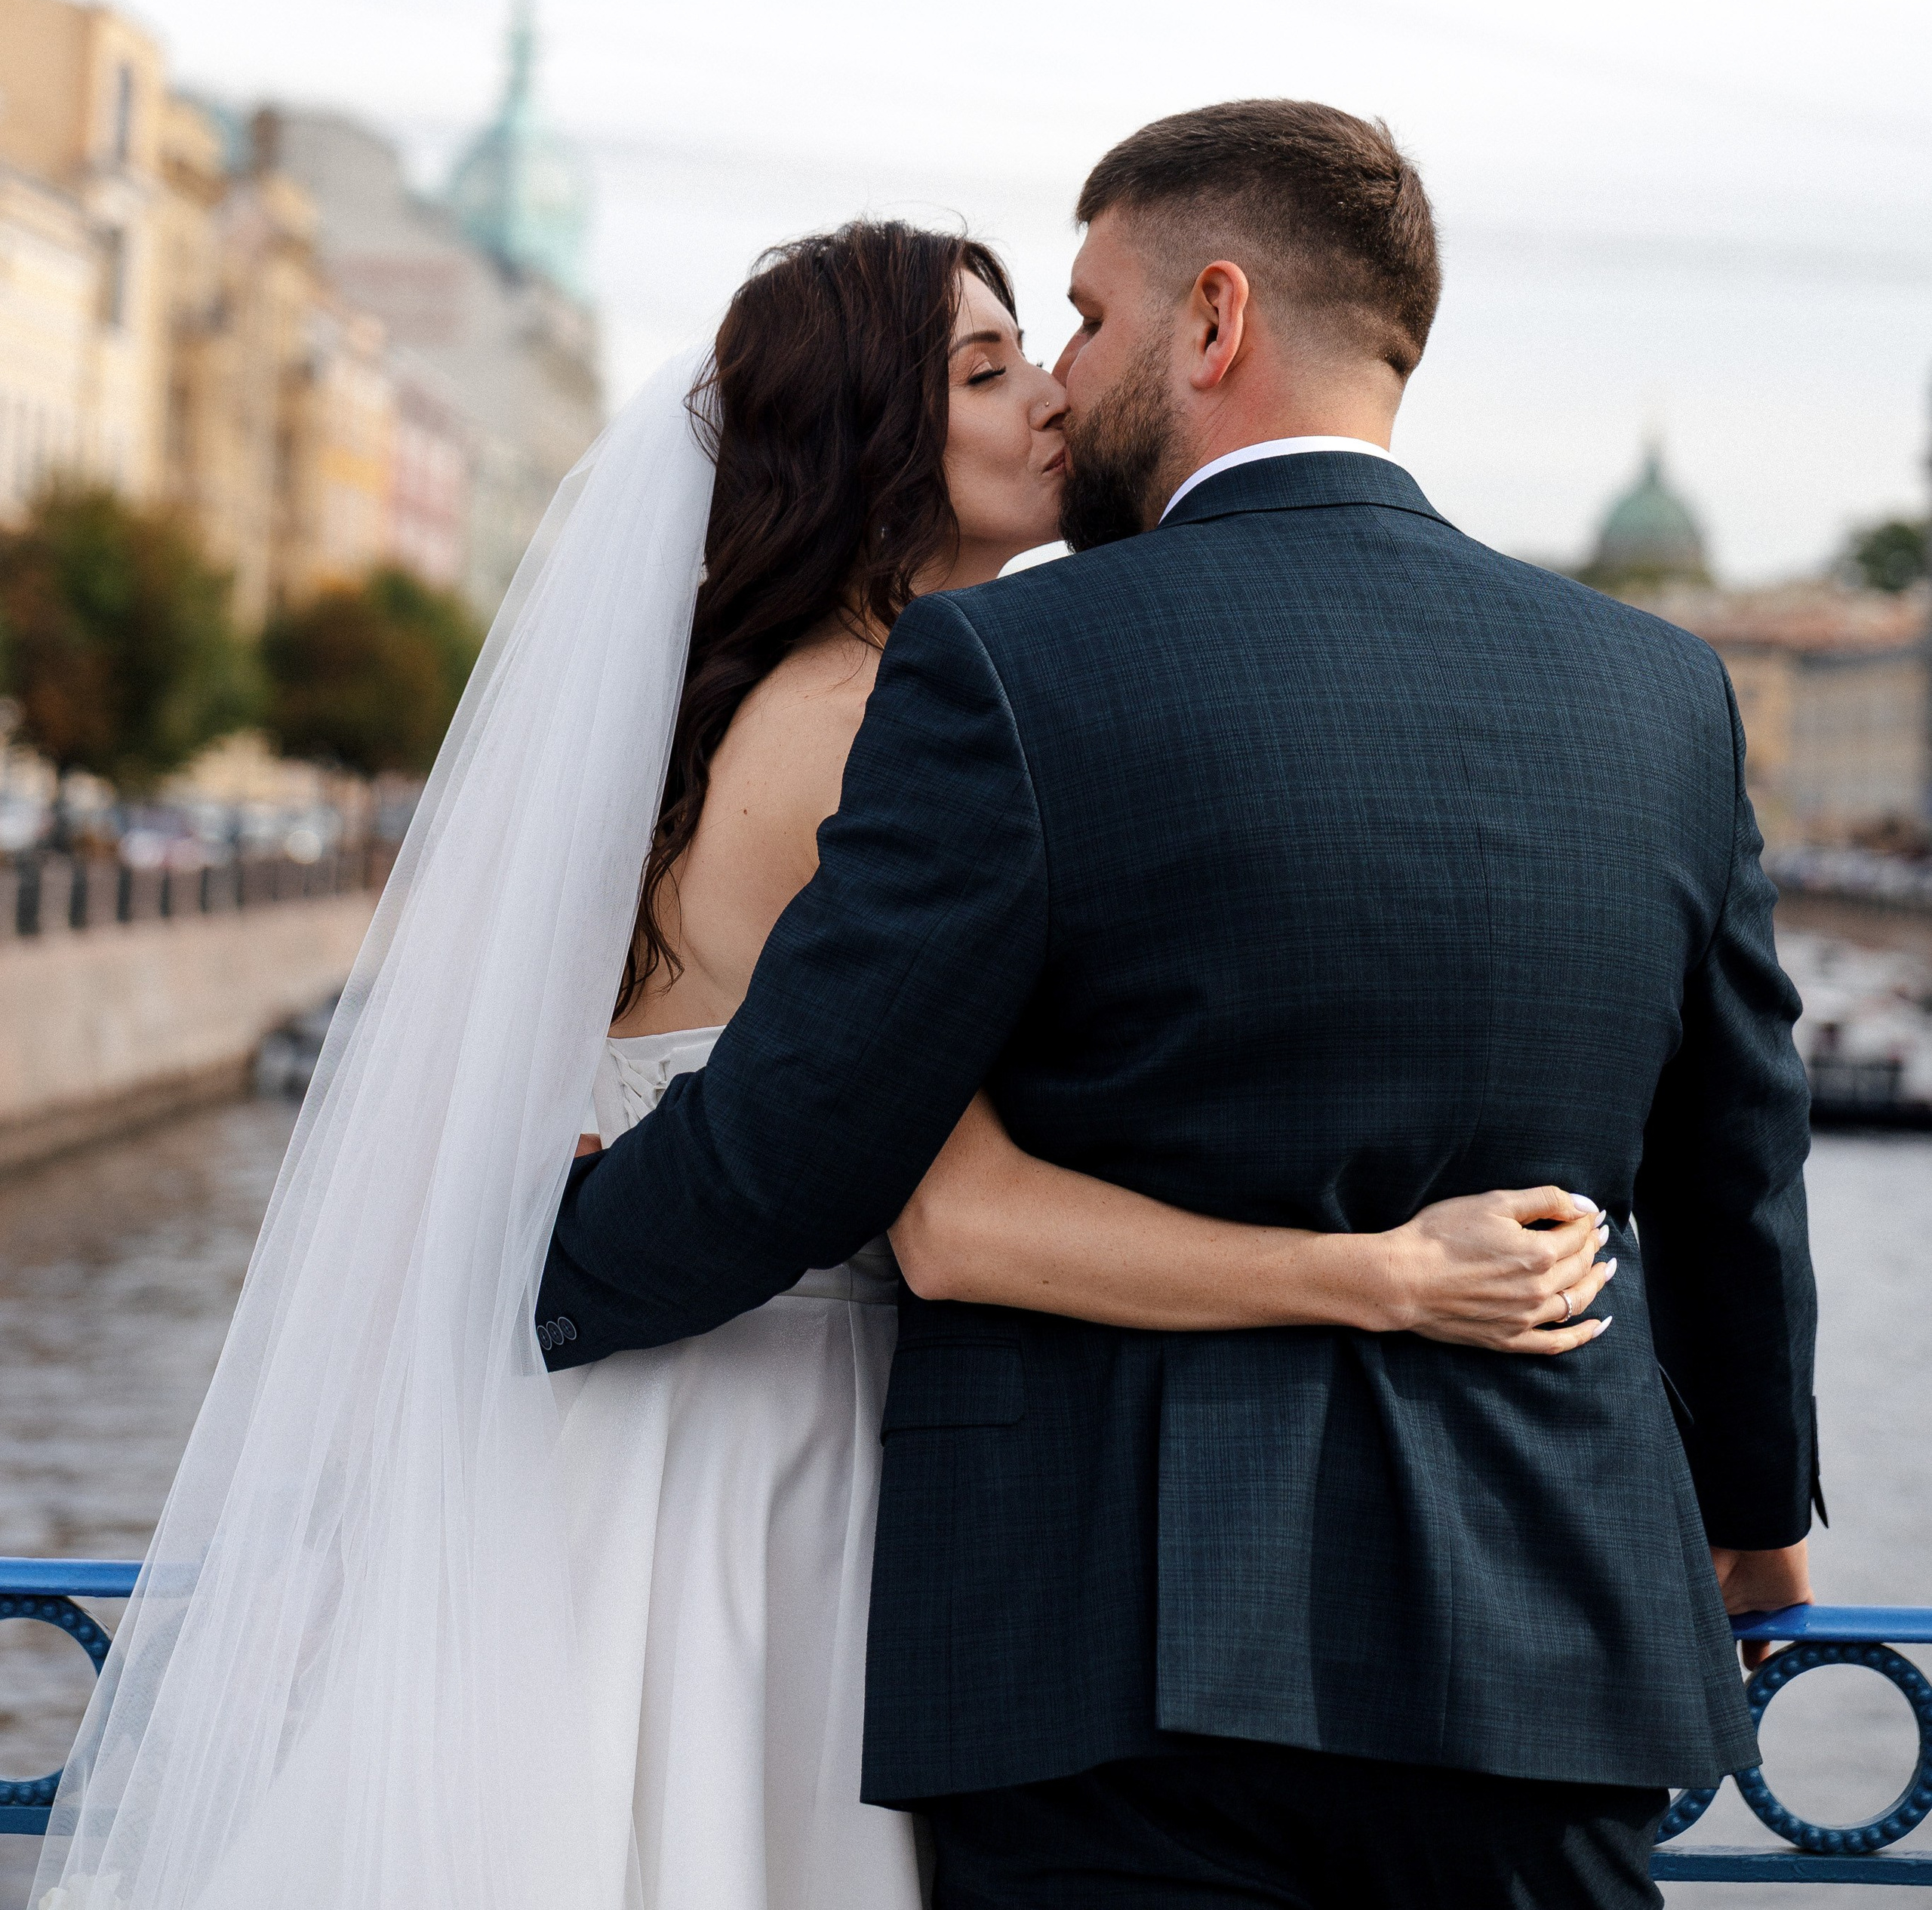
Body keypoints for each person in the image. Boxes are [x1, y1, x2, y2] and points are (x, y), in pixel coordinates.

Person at [32, 214, 1607, 1910]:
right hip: (765, 1453)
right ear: (871, 441)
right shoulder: (864, 724)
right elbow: (960, 1220)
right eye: (986, 372)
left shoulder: (767, 700)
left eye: (1038, 348)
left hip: (635, 1435)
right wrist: (1383, 1274)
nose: (1052, 396)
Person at [539, 104, 1820, 1910]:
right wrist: (1752, 1519)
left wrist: (554, 1264)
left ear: (1211, 319)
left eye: (1080, 316)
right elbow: (1731, 1163)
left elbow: (808, 1126)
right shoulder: (1660, 692)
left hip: (1104, 1644)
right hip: (1544, 1631)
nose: (1063, 377)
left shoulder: (1005, 665)